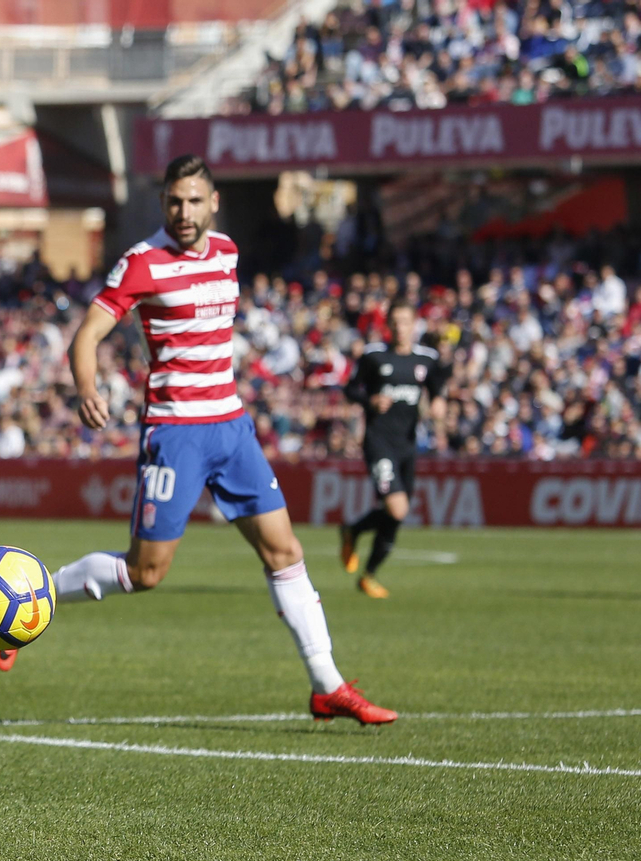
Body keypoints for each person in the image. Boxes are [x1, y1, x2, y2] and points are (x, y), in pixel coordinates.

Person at [47, 154, 396, 726]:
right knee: (146, 573)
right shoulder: (142, 262)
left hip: (232, 429)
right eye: (173, 201)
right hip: (176, 433)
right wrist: (88, 388)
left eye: (194, 201)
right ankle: (39, 597)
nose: (183, 212)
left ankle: (327, 684)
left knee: (285, 552)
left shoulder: (228, 252)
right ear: (163, 204)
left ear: (213, 203)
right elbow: (86, 336)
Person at [339, 297, 450, 598]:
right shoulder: (374, 356)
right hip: (378, 441)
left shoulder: (426, 359)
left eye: (406, 322)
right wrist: (370, 401)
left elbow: (438, 385)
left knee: (397, 514)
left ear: (415, 325)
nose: (401, 328)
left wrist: (439, 401)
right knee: (397, 507)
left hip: (408, 445)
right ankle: (355, 540)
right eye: (396, 322)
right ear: (388, 325)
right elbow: (350, 389)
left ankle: (366, 566)